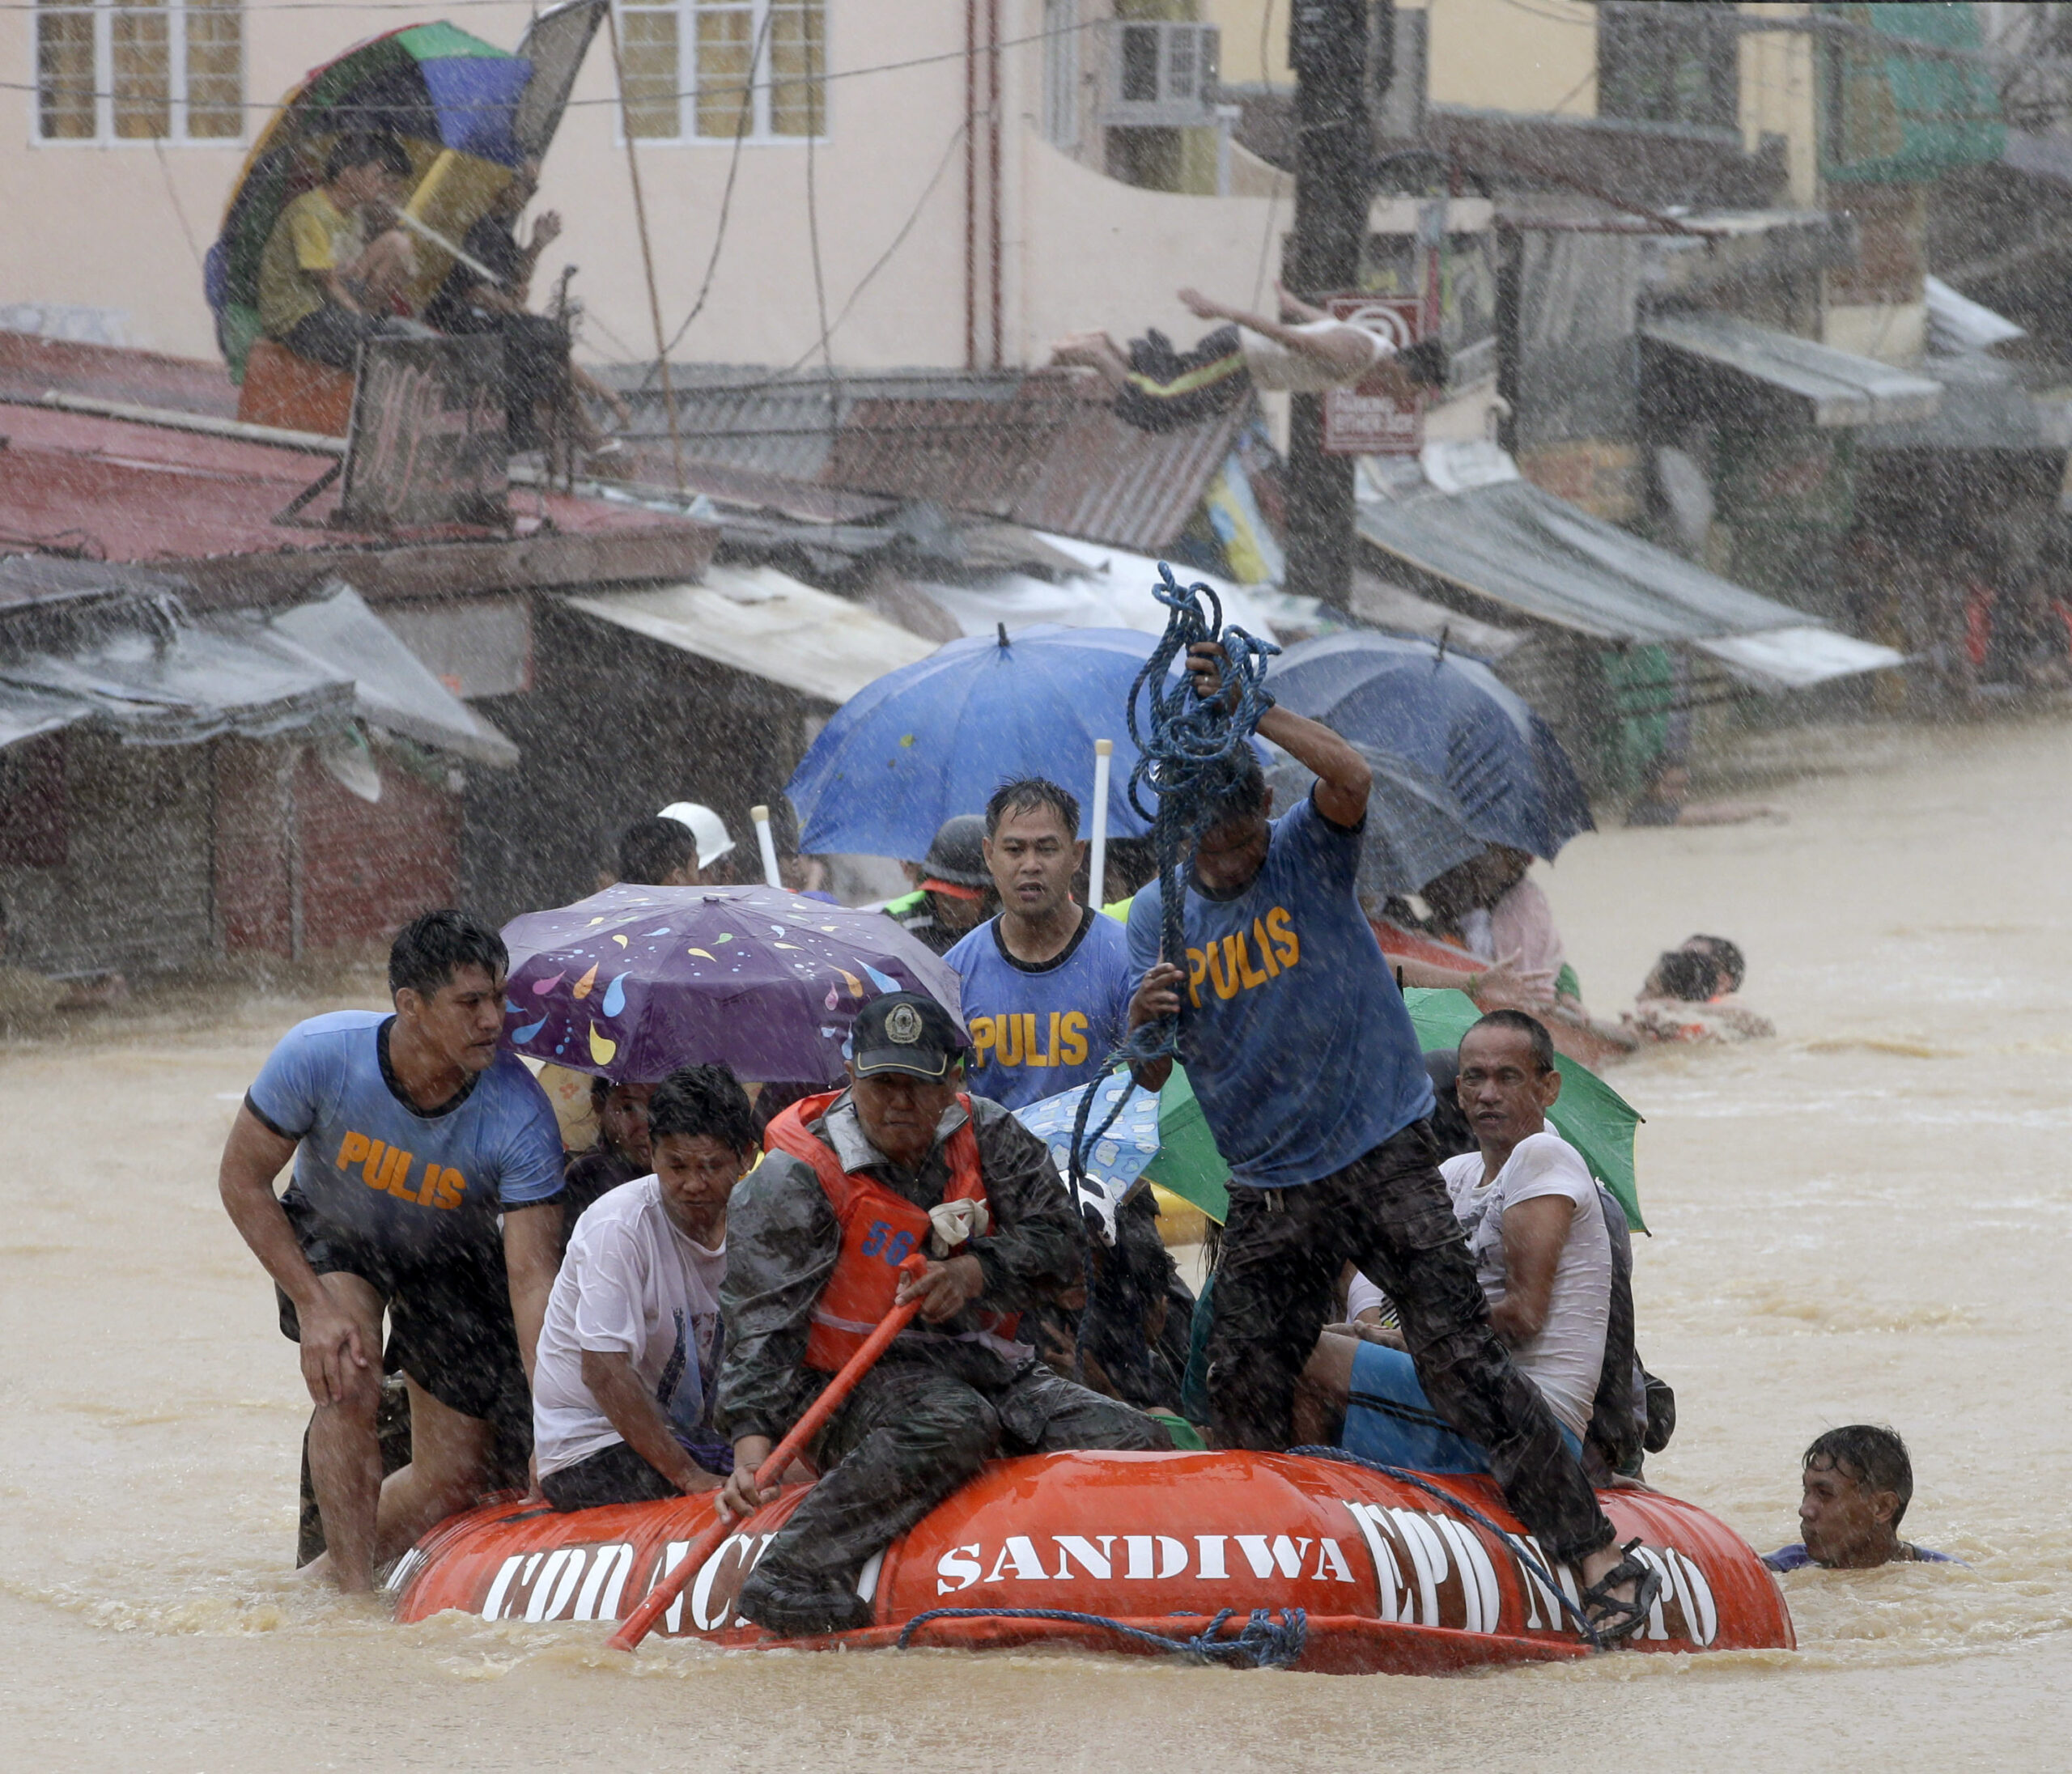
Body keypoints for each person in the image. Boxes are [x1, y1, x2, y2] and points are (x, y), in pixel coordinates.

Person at [1127, 642, 1657, 1640]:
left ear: (1258, 819)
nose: (1231, 863)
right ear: (1182, 834)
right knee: (1239, 1378)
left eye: (1241, 841)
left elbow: (1350, 775)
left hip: (1380, 1151)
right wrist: (1143, 1018)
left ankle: (1591, 1551)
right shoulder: (1157, 916)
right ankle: (1250, 1566)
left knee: (1461, 1361)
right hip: (1269, 1184)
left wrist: (1256, 708)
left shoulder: (1303, 846)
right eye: (1213, 850)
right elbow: (1153, 1069)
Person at [713, 992, 1170, 1636]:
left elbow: (1067, 1245)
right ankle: (793, 1569)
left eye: (918, 1086)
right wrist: (751, 1451)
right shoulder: (795, 1175)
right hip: (847, 1383)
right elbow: (757, 1324)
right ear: (851, 1077)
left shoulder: (987, 1132)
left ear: (952, 1082)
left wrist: (977, 1272)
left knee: (1134, 1439)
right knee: (958, 1423)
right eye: (883, 1084)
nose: (899, 1102)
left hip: (983, 1365)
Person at [216, 910, 565, 1591]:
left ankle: (313, 1583)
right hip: (335, 1235)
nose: (494, 1020)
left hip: (452, 1256)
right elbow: (242, 1179)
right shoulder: (319, 1054)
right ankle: (351, 1598)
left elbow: (532, 1282)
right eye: (471, 1003)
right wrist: (313, 1308)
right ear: (410, 1005)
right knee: (348, 1372)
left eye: (499, 997)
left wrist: (556, 1420)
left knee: (455, 1474)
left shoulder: (521, 1114)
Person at [1299, 1014, 1612, 1479]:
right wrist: (1370, 1330)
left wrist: (1403, 1339)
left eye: (1508, 1077)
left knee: (1304, 1354)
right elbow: (1395, 1283)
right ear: (1460, 1092)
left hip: (1530, 1418)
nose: (1488, 1094)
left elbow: (1523, 1316)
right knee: (1295, 1338)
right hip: (1460, 1389)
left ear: (1549, 1088)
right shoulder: (1454, 1174)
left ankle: (1313, 1500)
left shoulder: (1542, 1155)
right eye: (1475, 1078)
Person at [533, 1067, 758, 1509]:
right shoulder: (617, 1227)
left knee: (796, 1468)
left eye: (712, 1166)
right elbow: (603, 1371)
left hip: (688, 1436)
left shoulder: (759, 1220)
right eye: (677, 1166)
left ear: (745, 1158)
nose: (694, 1184)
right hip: (591, 1451)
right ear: (652, 1156)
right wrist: (691, 1478)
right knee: (773, 1481)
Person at [945, 778, 1134, 1110]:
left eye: (1047, 849)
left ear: (1076, 854)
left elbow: (1152, 1080)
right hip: (997, 1159)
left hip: (1099, 1156)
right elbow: (939, 1093)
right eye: (1014, 850)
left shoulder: (1123, 957)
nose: (1030, 865)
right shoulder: (955, 972)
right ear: (989, 855)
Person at [422, 155, 630, 459]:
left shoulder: (499, 231)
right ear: (505, 181)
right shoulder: (473, 225)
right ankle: (597, 422)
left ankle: (591, 440)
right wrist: (517, 310)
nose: (528, 194)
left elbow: (513, 286)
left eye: (534, 188)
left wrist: (536, 246)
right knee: (544, 338)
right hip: (461, 323)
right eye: (526, 185)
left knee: (547, 357)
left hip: (492, 324)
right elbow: (476, 291)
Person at [1051, 282, 1442, 433]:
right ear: (1404, 370)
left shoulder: (1379, 347)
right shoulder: (1355, 357)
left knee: (1167, 400)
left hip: (1243, 368)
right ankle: (1096, 352)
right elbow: (1285, 336)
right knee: (1159, 403)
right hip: (1239, 356)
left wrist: (1295, 303)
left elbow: (1326, 321)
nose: (1405, 400)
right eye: (1412, 392)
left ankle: (1103, 345)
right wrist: (1218, 307)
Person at [257, 133, 422, 372]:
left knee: (398, 245)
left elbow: (356, 272)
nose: (383, 186)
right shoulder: (309, 213)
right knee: (385, 344)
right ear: (347, 175)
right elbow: (330, 283)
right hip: (299, 319)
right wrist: (361, 319)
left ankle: (373, 330)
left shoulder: (354, 214)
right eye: (378, 177)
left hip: (331, 308)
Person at [1764, 1426, 1959, 1572]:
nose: (1805, 1510)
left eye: (1824, 1494)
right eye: (1806, 1491)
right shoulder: (1781, 1568)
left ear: (1882, 1508)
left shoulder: (1948, 1577)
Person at [880, 814, 993, 955]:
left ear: (987, 894)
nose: (950, 906)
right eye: (943, 895)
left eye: (961, 899)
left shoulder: (1007, 922)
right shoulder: (898, 918)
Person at [1628, 936, 1775, 1044]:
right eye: (1682, 956)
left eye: (1694, 957)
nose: (1681, 963)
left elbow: (1762, 1026)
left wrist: (1677, 1007)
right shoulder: (1666, 1018)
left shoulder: (1731, 1007)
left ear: (1723, 981)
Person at [561, 1077, 654, 1233]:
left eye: (661, 1106)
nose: (647, 1126)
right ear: (599, 1105)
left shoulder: (696, 1175)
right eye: (629, 1108)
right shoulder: (588, 1175)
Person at [1625, 759, 1783, 828]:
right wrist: (1764, 809)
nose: (1678, 793)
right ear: (1650, 786)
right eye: (1672, 785)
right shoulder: (1648, 813)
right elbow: (1710, 815)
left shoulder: (1653, 809)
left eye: (1682, 786)